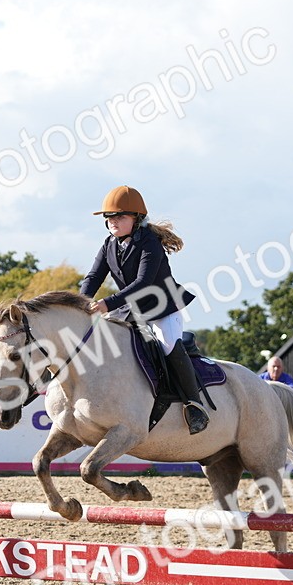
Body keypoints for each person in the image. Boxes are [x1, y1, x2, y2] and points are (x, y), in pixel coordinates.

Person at [79, 185, 209, 434]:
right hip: (130, 309)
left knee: (168, 343)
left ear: (136, 219)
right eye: (110, 218)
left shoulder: (151, 243)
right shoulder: (109, 244)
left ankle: (194, 404)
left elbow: (143, 283)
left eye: (120, 217)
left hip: (161, 307)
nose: (113, 222)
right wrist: (80, 303)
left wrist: (107, 303)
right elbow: (94, 276)